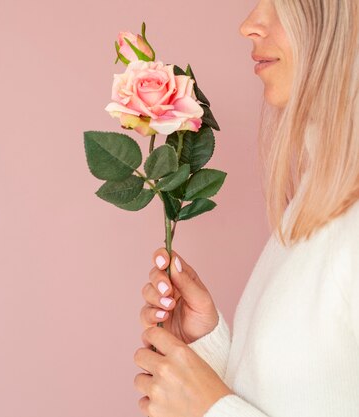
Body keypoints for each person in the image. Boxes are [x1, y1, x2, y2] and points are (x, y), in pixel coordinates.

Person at [132, 0, 359, 416]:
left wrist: (208, 410)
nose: (248, 26)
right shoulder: (317, 202)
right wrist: (209, 348)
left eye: (281, 5)